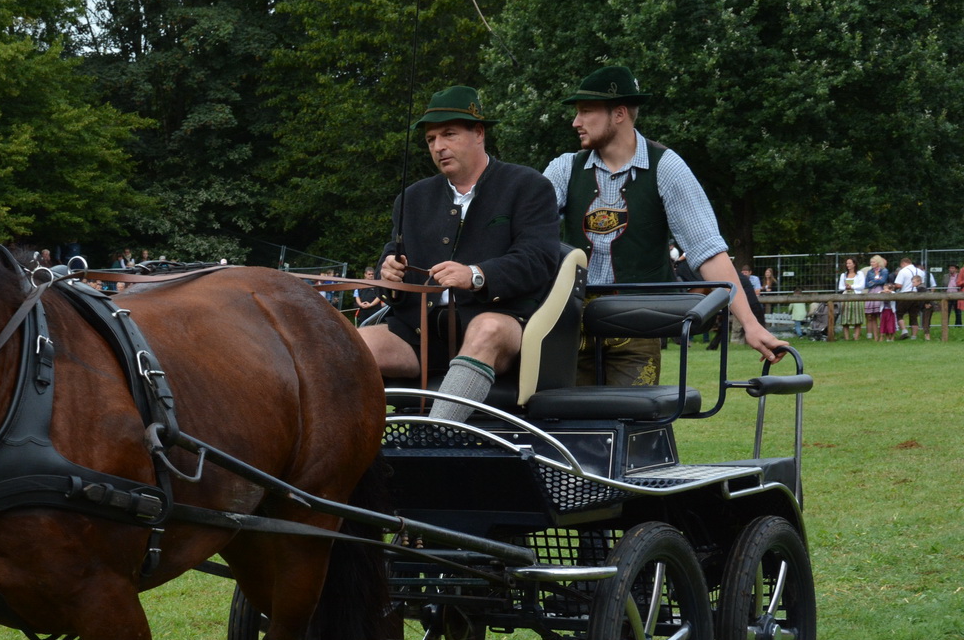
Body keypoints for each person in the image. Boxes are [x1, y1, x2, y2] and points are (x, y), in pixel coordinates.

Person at [544, 65, 785, 383]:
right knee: (561, 414)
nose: (576, 121)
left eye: (586, 111)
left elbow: (708, 252)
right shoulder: (565, 168)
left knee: (629, 414)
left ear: (619, 114)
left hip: (637, 327)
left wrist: (751, 325)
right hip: (570, 326)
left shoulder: (666, 168)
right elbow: (526, 230)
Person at [359, 85, 558, 421]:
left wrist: (476, 275)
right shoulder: (412, 198)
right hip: (418, 336)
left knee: (486, 329)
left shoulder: (528, 186)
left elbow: (538, 260)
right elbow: (393, 255)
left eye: (449, 134)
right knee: (348, 344)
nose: (439, 146)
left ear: (478, 133)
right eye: (430, 139)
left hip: (502, 324)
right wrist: (388, 272)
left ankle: (436, 435)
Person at [893, 256, 925, 339]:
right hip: (917, 295)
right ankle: (914, 336)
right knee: (914, 315)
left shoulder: (903, 271)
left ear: (903, 263)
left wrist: (893, 288)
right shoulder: (920, 271)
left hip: (905, 294)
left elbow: (899, 285)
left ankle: (904, 330)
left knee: (899, 313)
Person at [835, 257, 864, 340]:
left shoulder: (859, 274)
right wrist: (846, 287)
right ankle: (846, 338)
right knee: (845, 318)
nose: (848, 265)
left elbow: (862, 286)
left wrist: (852, 286)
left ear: (854, 264)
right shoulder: (843, 275)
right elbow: (840, 287)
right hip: (846, 296)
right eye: (847, 263)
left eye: (849, 263)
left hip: (856, 296)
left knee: (857, 318)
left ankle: (856, 338)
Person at [862, 255, 889, 340]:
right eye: (871, 262)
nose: (871, 263)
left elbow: (883, 281)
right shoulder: (870, 271)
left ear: (878, 262)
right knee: (872, 316)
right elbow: (867, 284)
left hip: (880, 291)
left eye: (873, 262)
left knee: (881, 315)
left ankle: (883, 335)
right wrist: (877, 279)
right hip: (871, 292)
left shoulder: (884, 270)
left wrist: (873, 281)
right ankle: (876, 336)